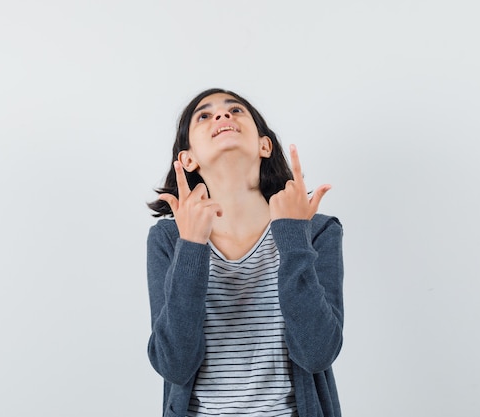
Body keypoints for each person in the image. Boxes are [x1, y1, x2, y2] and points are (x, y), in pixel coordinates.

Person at [146, 88, 344, 417]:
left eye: (236, 110)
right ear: (188, 158)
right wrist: (192, 245)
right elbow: (174, 365)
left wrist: (293, 236)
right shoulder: (170, 238)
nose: (223, 116)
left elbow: (317, 352)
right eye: (204, 115)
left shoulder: (315, 230)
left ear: (264, 144)